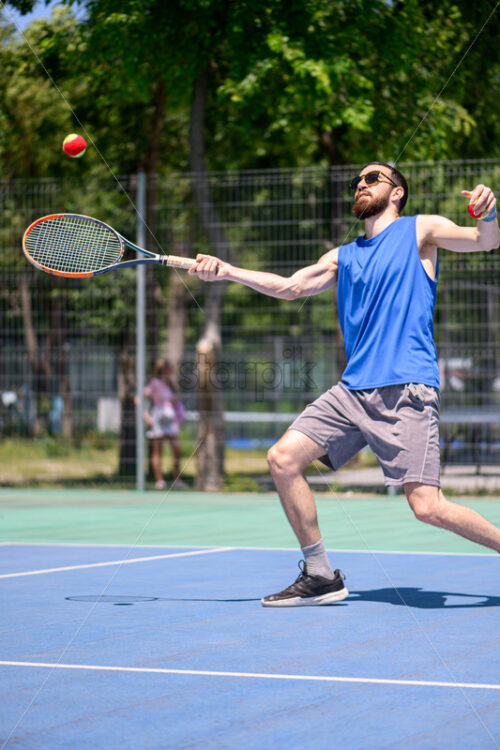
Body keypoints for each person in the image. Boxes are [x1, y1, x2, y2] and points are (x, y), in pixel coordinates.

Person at [189, 162, 500, 607]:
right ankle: (320, 575)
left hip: (406, 389)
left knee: (427, 507)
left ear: (397, 193)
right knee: (282, 459)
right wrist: (229, 272)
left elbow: (486, 242)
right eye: (357, 180)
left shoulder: (420, 231)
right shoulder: (343, 256)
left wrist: (488, 214)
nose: (361, 184)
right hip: (352, 391)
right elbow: (291, 286)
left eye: (372, 178)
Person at [143, 360, 187, 490]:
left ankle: (177, 479)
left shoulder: (170, 385)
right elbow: (141, 397)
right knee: (158, 448)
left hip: (170, 417)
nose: (171, 370)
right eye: (168, 368)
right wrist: (146, 416)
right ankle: (159, 480)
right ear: (163, 370)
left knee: (176, 449)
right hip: (159, 417)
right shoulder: (155, 383)